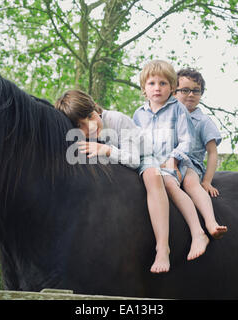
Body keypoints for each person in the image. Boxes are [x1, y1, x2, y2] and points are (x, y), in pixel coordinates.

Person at [54, 89, 172, 273]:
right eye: (80, 125)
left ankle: (163, 248)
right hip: (119, 161)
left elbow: (133, 160)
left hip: (143, 155)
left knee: (153, 178)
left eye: (90, 116)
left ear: (95, 108)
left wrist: (106, 150)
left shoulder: (117, 120)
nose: (91, 127)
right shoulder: (83, 138)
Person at [133, 60, 212, 265]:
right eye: (151, 84)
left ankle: (197, 232)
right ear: (144, 88)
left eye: (163, 84)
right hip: (148, 162)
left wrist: (173, 159)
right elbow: (135, 142)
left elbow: (187, 140)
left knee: (168, 183)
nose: (157, 88)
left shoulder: (178, 109)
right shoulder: (139, 114)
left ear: (172, 87)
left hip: (172, 161)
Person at [174, 68, 227, 239]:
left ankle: (211, 222)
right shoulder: (168, 117)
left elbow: (212, 153)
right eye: (185, 90)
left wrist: (207, 181)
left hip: (191, 165)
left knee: (190, 183)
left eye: (196, 91)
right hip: (168, 162)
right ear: (174, 92)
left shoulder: (203, 121)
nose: (190, 94)